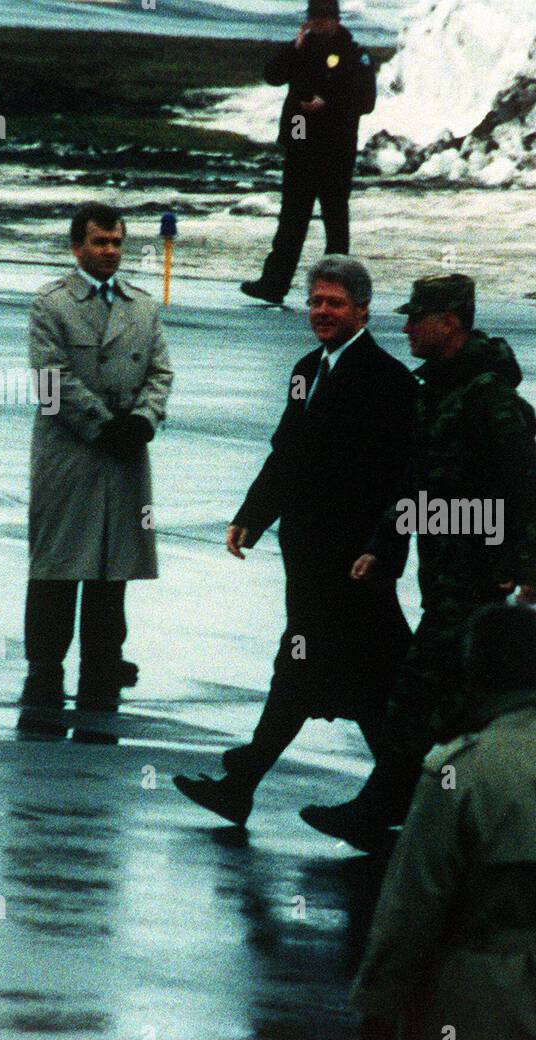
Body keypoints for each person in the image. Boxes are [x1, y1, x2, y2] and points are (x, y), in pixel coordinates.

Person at [300, 274, 536, 852]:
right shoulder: (435, 387)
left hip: (476, 571)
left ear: (451, 322)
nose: (407, 327)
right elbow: (417, 482)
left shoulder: (485, 393)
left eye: (418, 318)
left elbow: (528, 482)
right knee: (459, 700)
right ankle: (471, 816)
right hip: (441, 570)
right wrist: (383, 544)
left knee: (418, 691)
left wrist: (530, 565)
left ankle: (381, 810)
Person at [174, 256, 416, 824]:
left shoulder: (389, 383)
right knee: (359, 677)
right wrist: (252, 516)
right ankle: (401, 797)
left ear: (362, 309)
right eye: (314, 302)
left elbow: (408, 480)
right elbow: (288, 452)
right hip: (308, 556)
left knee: (327, 669)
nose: (321, 313)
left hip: (357, 561)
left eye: (334, 303)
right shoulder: (307, 369)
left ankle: (252, 781)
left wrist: (386, 550)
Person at [351, 604, 536, 1040]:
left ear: (476, 673)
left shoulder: (456, 773)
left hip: (473, 997)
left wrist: (379, 1006)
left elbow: (412, 907)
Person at [18, 202, 175, 743]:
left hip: (127, 454)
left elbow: (160, 371)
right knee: (58, 567)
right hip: (71, 454)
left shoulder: (143, 307)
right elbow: (48, 380)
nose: (110, 251)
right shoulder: (51, 305)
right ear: (76, 247)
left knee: (113, 570)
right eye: (100, 242)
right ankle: (44, 670)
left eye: (116, 242)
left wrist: (144, 422)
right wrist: (100, 425)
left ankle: (103, 666)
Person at [240, 0, 378, 306]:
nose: (319, 24)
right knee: (292, 217)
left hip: (335, 145)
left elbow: (366, 102)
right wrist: (294, 47)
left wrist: (326, 103)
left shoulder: (355, 54)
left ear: (336, 20)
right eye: (314, 18)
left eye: (324, 19)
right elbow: (273, 76)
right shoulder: (302, 48)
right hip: (301, 137)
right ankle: (274, 283)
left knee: (335, 218)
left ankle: (338, 288)